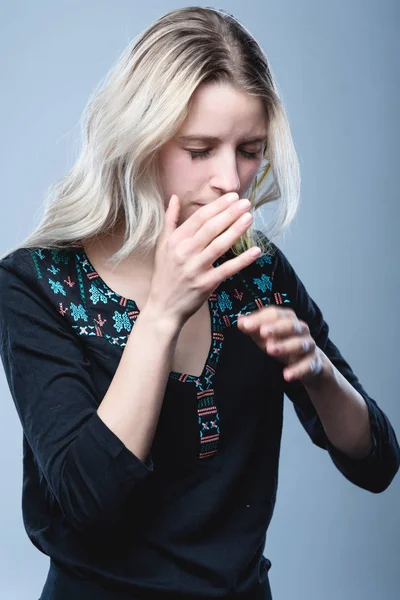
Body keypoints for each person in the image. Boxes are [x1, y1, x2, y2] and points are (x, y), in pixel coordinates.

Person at [0, 6, 398, 600]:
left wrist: (319, 372)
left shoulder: (258, 271)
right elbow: (88, 503)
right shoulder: (37, 283)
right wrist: (161, 314)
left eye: (249, 149)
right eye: (200, 149)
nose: (231, 180)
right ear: (141, 142)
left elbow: (377, 464)